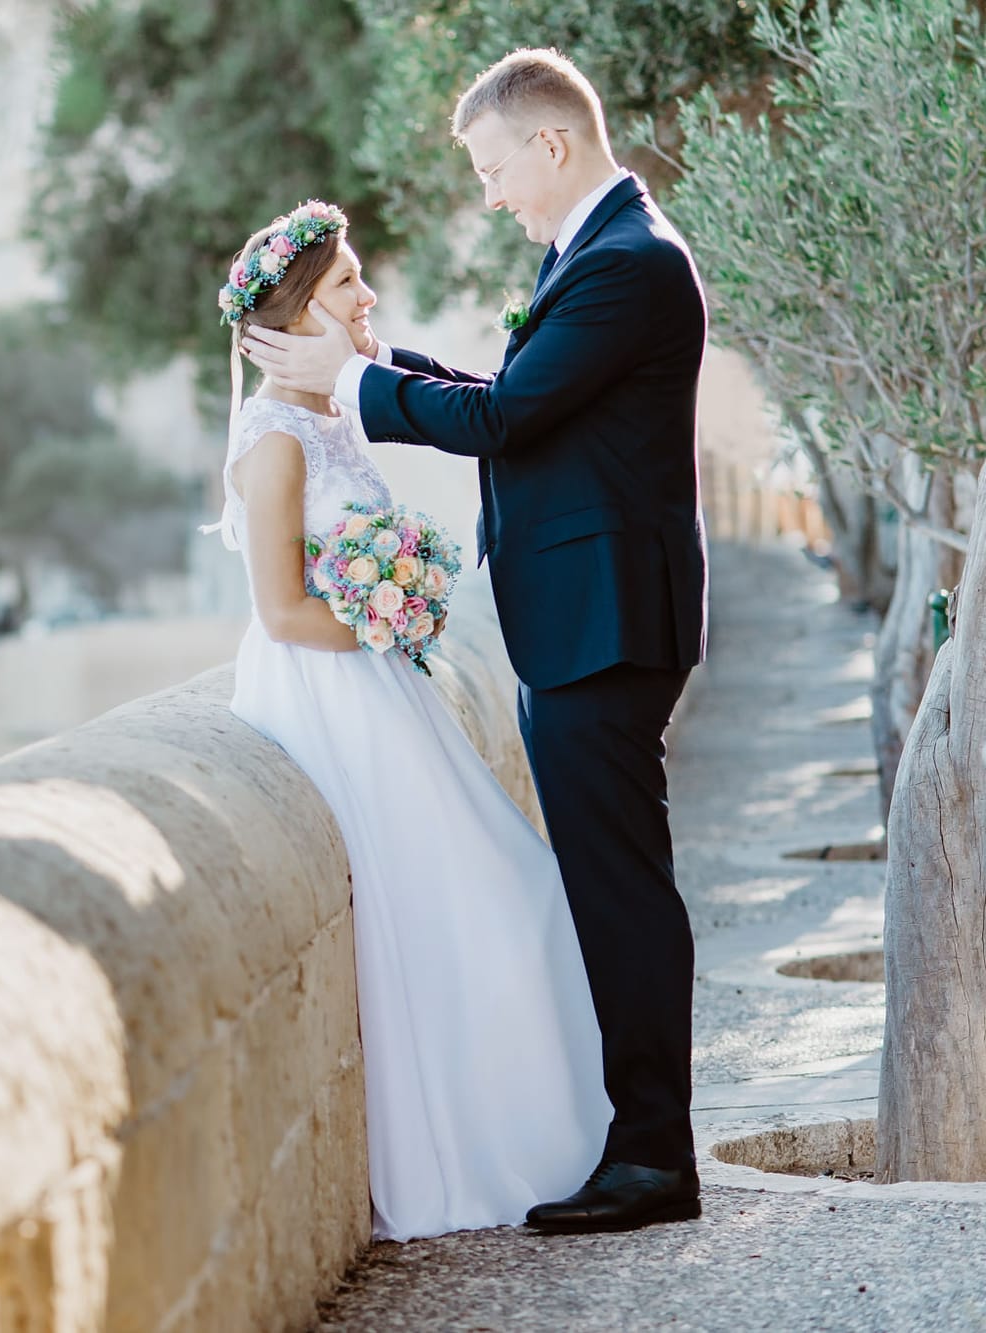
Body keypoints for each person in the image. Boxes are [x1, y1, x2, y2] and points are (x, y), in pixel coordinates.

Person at [240, 47, 708, 1234]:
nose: (489, 193)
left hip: (603, 626)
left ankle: (652, 1155)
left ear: (548, 143)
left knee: (619, 890)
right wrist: (377, 369)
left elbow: (501, 416)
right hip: (589, 618)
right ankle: (636, 1136)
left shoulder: (628, 265)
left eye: (493, 167)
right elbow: (519, 398)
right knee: (609, 883)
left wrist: (344, 383)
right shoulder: (592, 255)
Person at [211, 198, 610, 1242]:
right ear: (299, 311)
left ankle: (550, 1140)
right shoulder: (272, 441)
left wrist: (399, 609)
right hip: (335, 697)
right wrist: (394, 613)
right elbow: (282, 610)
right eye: (345, 283)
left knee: (505, 895)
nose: (365, 294)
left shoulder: (331, 415)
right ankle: (460, 1164)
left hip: (384, 685)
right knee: (462, 904)